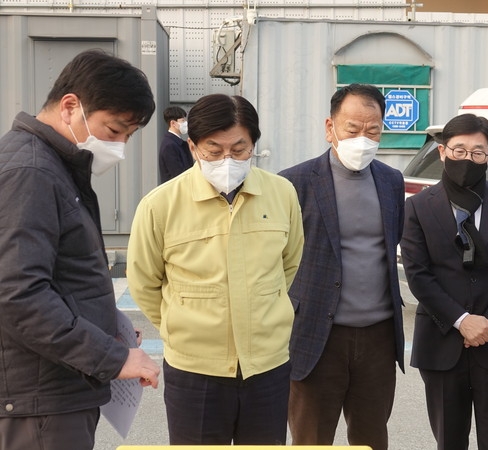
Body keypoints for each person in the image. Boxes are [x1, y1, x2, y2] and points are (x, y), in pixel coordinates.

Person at [0, 49, 160, 450]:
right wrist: (112, 357)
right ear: (70, 106)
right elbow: (18, 294)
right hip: (40, 399)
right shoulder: (31, 172)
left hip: (51, 385)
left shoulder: (50, 165)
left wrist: (106, 325)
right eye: (114, 130)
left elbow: (58, 275)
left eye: (128, 136)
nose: (120, 146)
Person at [127, 94, 304, 445]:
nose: (227, 160)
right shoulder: (160, 205)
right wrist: (184, 322)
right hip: (194, 370)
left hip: (267, 366)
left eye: (239, 150)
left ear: (253, 145)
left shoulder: (282, 194)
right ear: (192, 146)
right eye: (214, 150)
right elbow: (144, 282)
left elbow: (289, 263)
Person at [278, 83, 405, 450]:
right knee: (311, 440)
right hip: (317, 334)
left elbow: (390, 243)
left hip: (379, 336)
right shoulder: (294, 182)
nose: (362, 139)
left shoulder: (391, 181)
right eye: (352, 129)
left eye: (373, 131)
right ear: (329, 127)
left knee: (371, 438)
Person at [401, 113, 488, 450]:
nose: (467, 159)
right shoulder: (418, 207)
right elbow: (418, 274)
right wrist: (462, 320)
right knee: (449, 440)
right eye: (459, 150)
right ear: (443, 151)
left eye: (477, 152)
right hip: (442, 341)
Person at [158, 105, 193, 183]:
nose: (185, 123)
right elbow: (177, 174)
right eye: (182, 121)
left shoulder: (177, 142)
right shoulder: (169, 145)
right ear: (173, 123)